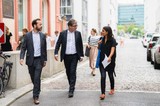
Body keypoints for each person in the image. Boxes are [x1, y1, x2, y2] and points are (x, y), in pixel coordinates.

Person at [19, 18, 47, 104]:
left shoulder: (42, 36)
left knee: (36, 77)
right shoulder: (27, 36)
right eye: (39, 24)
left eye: (41, 24)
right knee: (33, 77)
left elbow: (44, 49)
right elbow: (23, 48)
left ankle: (36, 96)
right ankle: (37, 88)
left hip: (39, 59)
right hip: (30, 60)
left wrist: (45, 59)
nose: (41, 26)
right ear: (34, 25)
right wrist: (21, 58)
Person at [54, 19, 84, 98]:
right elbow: (58, 44)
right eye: (74, 26)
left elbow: (80, 45)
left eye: (76, 25)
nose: (76, 27)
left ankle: (71, 89)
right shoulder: (63, 33)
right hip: (66, 56)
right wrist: (56, 53)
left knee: (72, 71)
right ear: (69, 26)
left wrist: (81, 55)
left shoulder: (78, 33)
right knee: (68, 72)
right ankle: (71, 84)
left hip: (74, 56)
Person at [98, 26, 117, 100]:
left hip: (109, 61)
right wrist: (99, 44)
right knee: (103, 76)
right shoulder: (101, 39)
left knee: (110, 76)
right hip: (102, 61)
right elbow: (99, 49)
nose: (101, 32)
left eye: (103, 31)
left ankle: (112, 88)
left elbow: (113, 49)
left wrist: (109, 57)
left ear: (107, 32)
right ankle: (103, 93)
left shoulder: (112, 40)